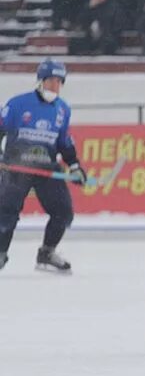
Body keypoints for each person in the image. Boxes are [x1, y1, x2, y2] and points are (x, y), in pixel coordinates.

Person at [0, 59, 85, 274]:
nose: (54, 87)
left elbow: (64, 143)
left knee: (63, 213)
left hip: (46, 169)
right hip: (16, 170)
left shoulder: (62, 110)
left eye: (59, 82)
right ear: (40, 81)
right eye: (51, 81)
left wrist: (74, 165)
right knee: (7, 213)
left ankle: (47, 253)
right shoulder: (18, 104)